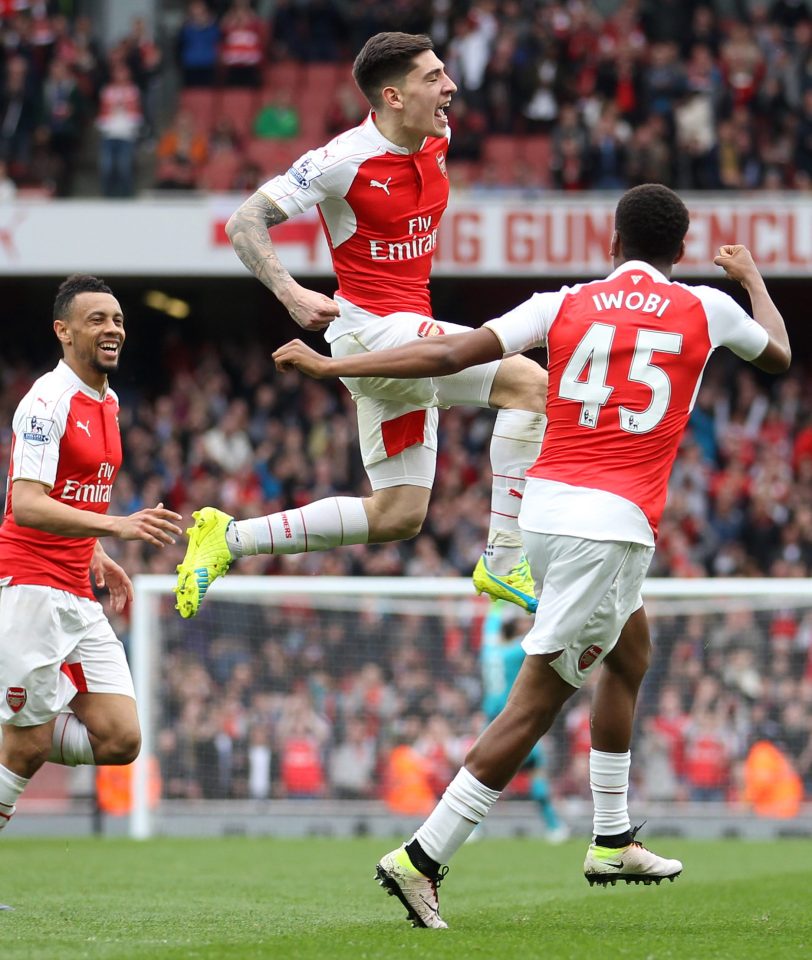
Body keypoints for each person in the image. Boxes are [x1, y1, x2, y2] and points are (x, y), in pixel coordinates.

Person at [271, 183, 791, 928]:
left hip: (544, 517)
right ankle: (422, 857)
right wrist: (751, 281)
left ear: (611, 245)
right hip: (607, 529)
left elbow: (451, 349)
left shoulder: (562, 303)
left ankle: (611, 836)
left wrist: (334, 370)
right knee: (539, 700)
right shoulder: (706, 308)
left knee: (631, 649)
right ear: (678, 253)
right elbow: (778, 353)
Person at [174, 31, 548, 620]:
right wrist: (292, 292)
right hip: (371, 332)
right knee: (527, 381)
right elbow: (244, 222)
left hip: (405, 335)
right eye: (433, 78)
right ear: (393, 97)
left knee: (398, 514)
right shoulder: (342, 160)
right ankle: (505, 558)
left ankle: (228, 538)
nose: (450, 87)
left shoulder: (438, 135)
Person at [0, 275, 183, 838]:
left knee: (120, 738)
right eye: (97, 319)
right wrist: (116, 524)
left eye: (118, 320)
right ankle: (16, 728)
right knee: (25, 743)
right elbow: (27, 504)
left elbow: (73, 489)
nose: (113, 330)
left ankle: (14, 724)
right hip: (30, 582)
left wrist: (97, 549)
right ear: (64, 331)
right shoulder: (44, 402)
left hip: (76, 586)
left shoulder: (108, 401)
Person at [481, 600, 568, 842]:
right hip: (512, 722)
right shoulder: (516, 651)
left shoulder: (488, 650)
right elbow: (544, 638)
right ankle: (554, 827)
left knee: (479, 778)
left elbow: (491, 623)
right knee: (536, 770)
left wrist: (498, 600)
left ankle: (472, 830)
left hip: (489, 723)